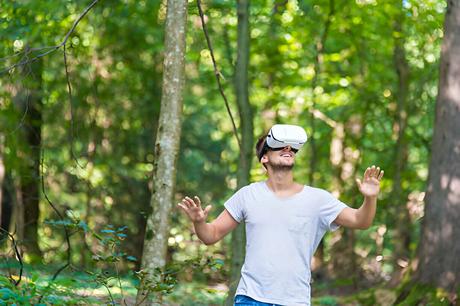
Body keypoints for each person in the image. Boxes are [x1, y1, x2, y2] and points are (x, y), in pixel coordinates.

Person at [177, 124, 384, 306]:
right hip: (250, 299)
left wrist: (370, 198)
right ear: (264, 158)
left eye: (291, 147)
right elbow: (210, 235)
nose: (288, 149)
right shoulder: (247, 195)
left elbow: (361, 221)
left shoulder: (318, 199)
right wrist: (199, 222)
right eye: (280, 146)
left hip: (295, 300)